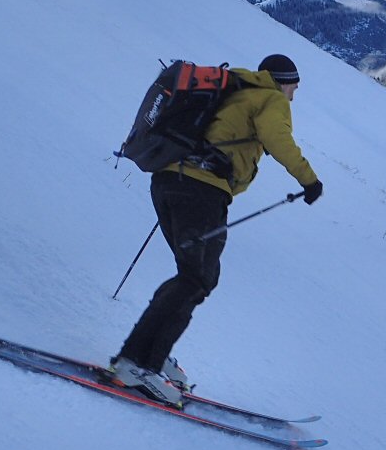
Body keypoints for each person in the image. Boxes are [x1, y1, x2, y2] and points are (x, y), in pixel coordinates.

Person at [110, 53, 323, 404]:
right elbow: (278, 139)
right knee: (197, 278)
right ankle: (136, 362)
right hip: (201, 191)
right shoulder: (269, 98)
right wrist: (309, 180)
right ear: (283, 81)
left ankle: (153, 353)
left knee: (195, 276)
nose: (293, 96)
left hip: (169, 182)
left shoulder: (236, 89)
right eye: (293, 88)